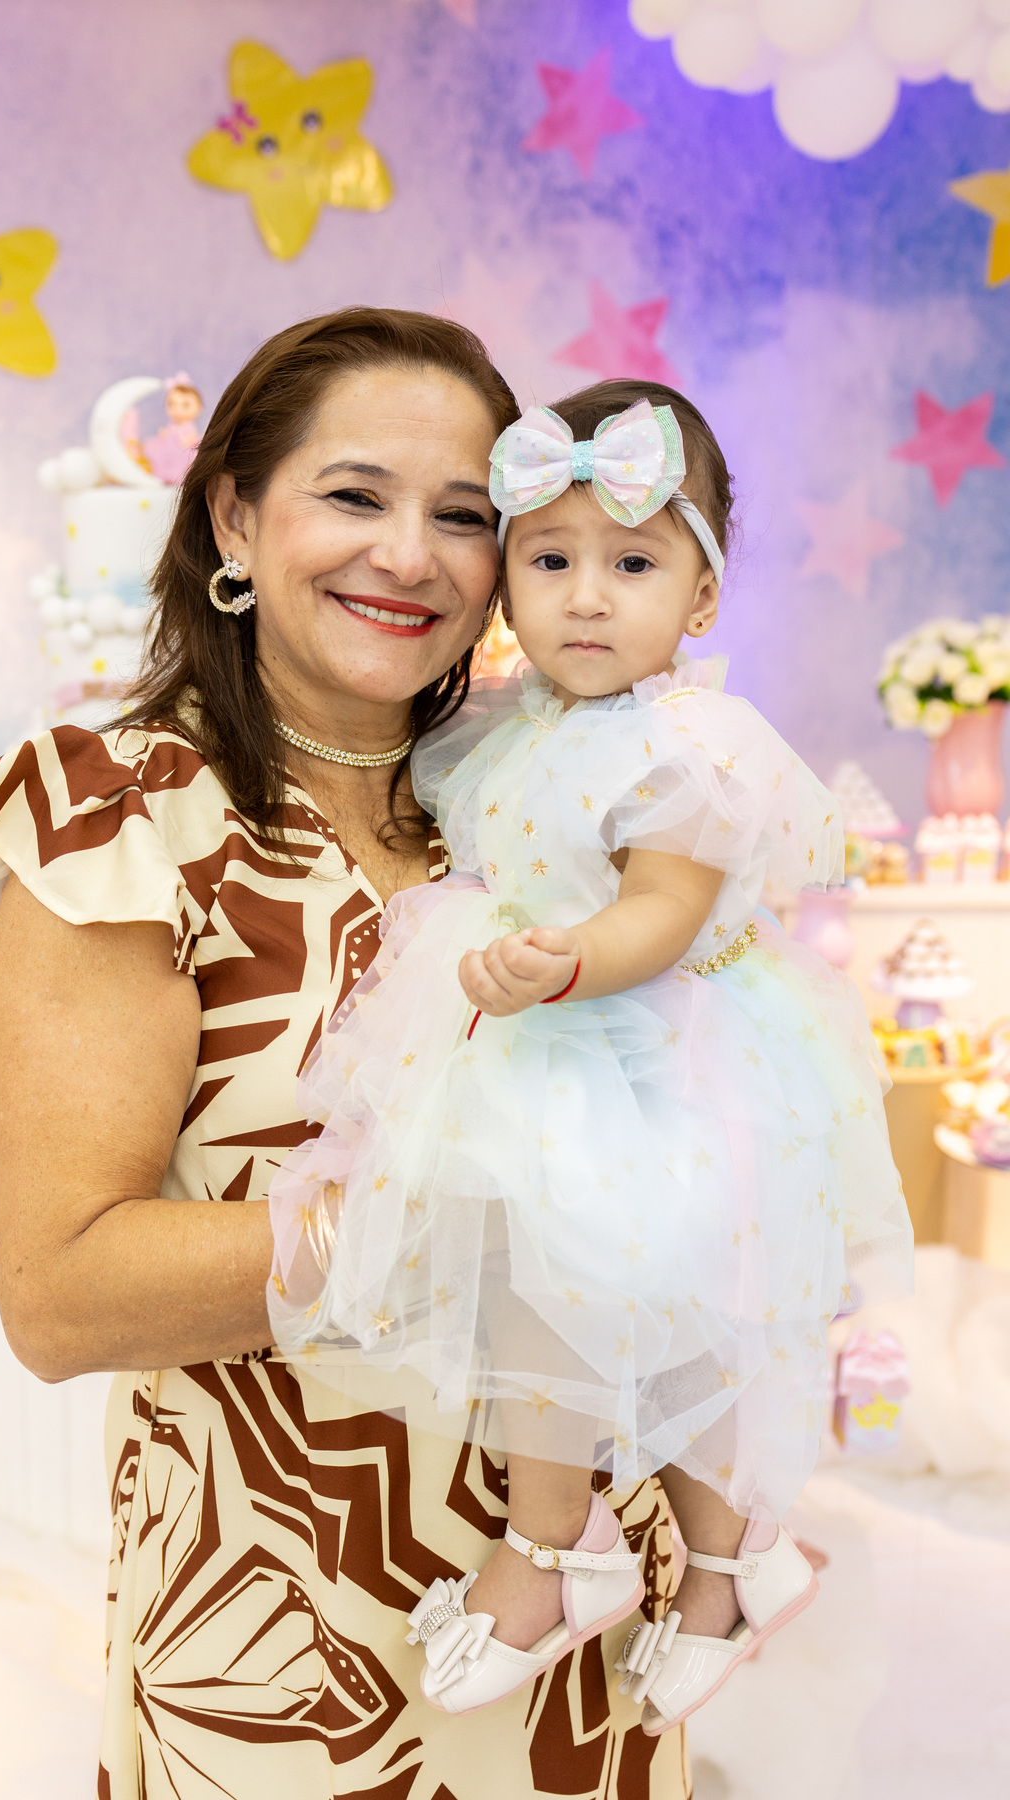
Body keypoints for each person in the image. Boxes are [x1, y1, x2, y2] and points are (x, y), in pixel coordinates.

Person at [0, 314, 693, 1800]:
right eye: (354, 495)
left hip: (594, 1605)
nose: (408, 557)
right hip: (296, 1635)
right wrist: (453, 1220)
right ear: (235, 516)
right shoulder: (129, 817)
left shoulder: (534, 790)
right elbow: (60, 1293)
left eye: (464, 515)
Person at [268, 380, 914, 1731]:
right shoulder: (506, 730)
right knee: (579, 1304)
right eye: (550, 562)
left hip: (649, 1049)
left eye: (631, 566)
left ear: (702, 596)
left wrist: (565, 960)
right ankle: (724, 1563)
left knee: (612, 1305)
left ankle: (575, 1548)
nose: (584, 599)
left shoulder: (693, 746)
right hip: (534, 1040)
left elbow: (662, 912)